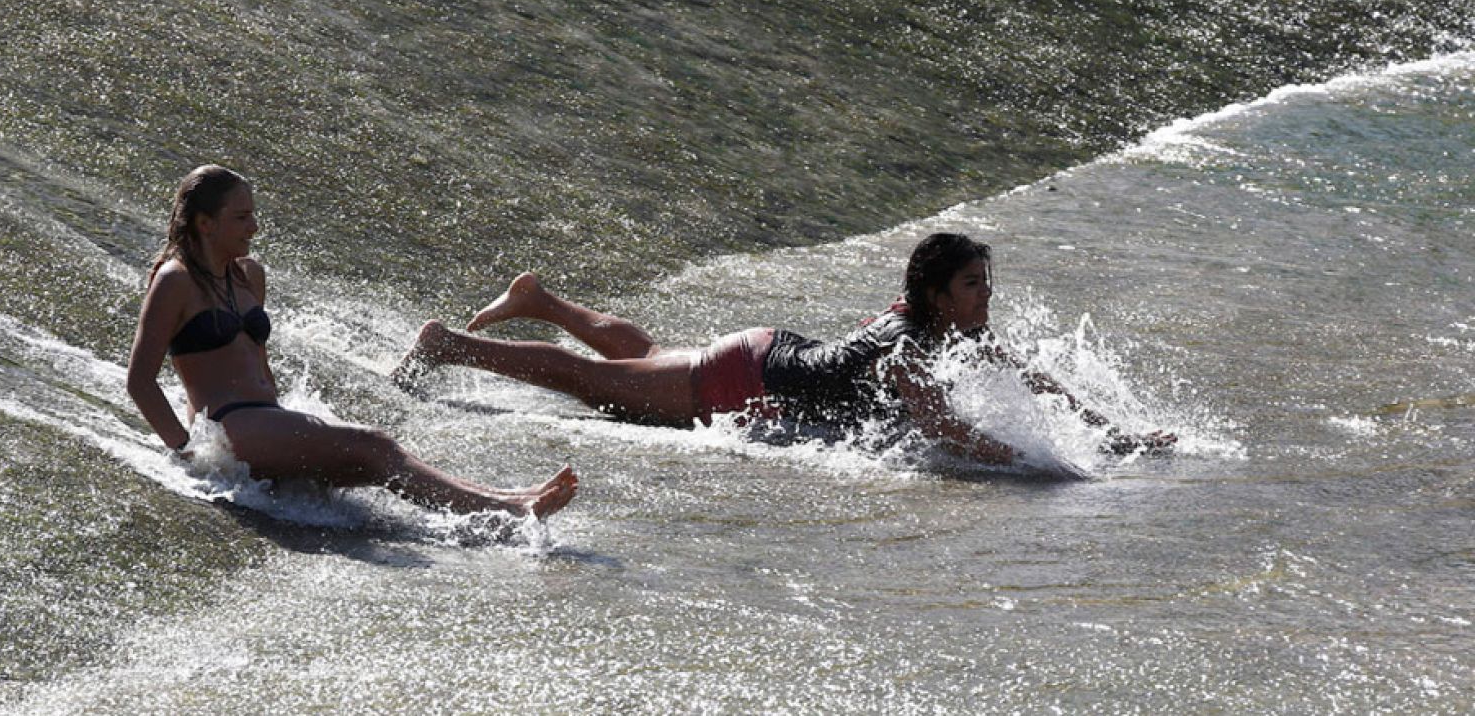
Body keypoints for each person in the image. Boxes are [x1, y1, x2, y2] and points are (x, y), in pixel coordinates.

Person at [400, 232, 1174, 467]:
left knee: (647, 362)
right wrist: (1039, 466)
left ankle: (539, 300)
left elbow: (1036, 379)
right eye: (975, 285)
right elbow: (943, 430)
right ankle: (450, 346)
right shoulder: (911, 345)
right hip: (746, 376)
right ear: (938, 292)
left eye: (987, 283)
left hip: (771, 353)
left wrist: (1117, 433)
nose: (987, 297)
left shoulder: (951, 326)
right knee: (595, 384)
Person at [126, 165, 577, 518]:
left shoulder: (249, 276)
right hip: (227, 430)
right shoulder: (175, 282)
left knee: (369, 465)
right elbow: (140, 381)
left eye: (254, 215)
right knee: (375, 446)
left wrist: (283, 422)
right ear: (205, 223)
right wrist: (186, 451)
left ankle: (509, 499)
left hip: (265, 421)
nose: (255, 227)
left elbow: (257, 361)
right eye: (241, 217)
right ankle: (513, 511)